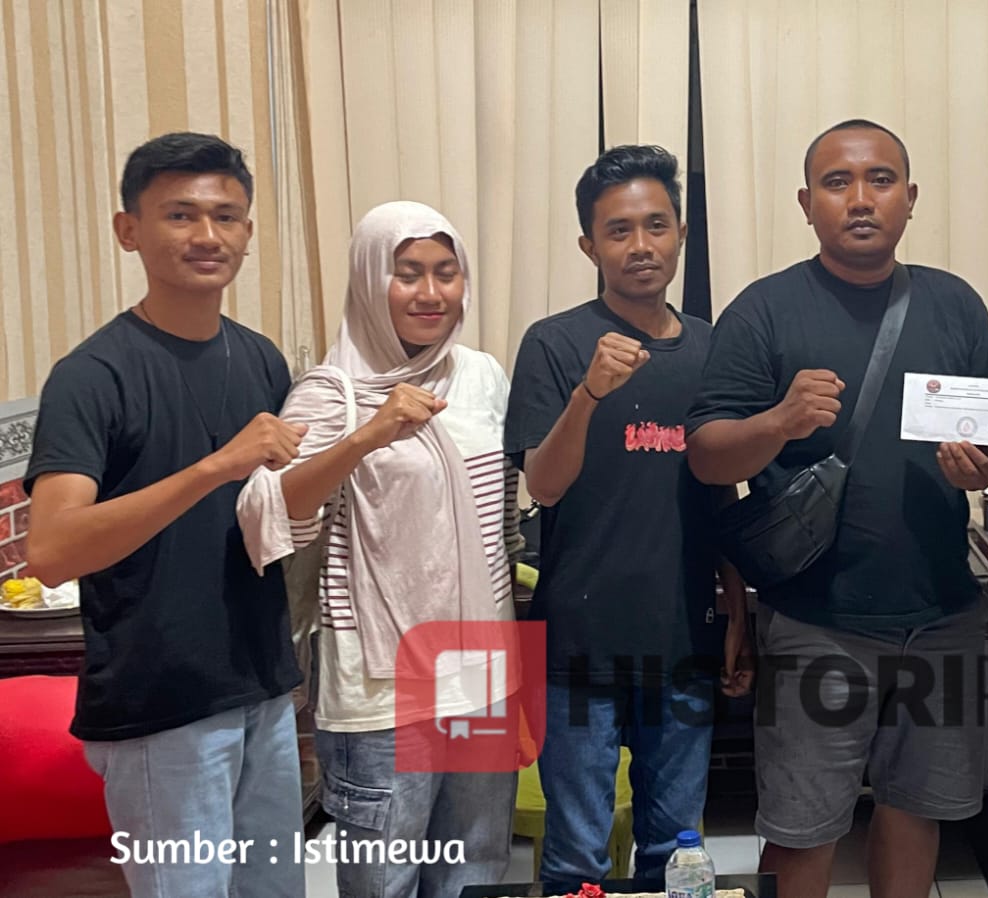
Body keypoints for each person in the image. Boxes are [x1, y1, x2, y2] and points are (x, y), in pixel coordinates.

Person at [686, 119, 988, 898]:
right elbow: (707, 455)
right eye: (837, 182)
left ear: (910, 197)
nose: (861, 198)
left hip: (943, 613)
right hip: (816, 618)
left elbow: (987, 450)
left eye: (880, 180)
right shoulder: (764, 310)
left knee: (917, 810)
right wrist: (778, 423)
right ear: (806, 203)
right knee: (802, 828)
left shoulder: (956, 304)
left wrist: (984, 465)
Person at [24, 132, 306, 898]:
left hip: (262, 682)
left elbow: (274, 512)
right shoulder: (92, 376)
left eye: (226, 216)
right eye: (180, 215)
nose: (207, 235)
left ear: (247, 232)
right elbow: (51, 549)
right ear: (130, 230)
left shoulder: (261, 358)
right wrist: (216, 466)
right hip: (160, 700)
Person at [236, 201, 519, 898]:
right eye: (408, 273)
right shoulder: (331, 393)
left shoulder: (482, 376)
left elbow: (505, 515)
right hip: (381, 687)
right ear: (369, 280)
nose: (431, 292)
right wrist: (368, 434)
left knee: (475, 873)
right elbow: (268, 513)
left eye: (446, 272)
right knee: (384, 882)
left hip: (481, 670)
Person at [503, 144, 752, 893]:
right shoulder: (555, 343)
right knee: (576, 856)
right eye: (618, 231)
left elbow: (721, 492)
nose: (640, 246)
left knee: (676, 855)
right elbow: (544, 486)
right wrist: (590, 393)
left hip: (683, 641)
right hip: (579, 647)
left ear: (681, 234)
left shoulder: (713, 347)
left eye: (656, 226)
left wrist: (737, 613)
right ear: (590, 246)